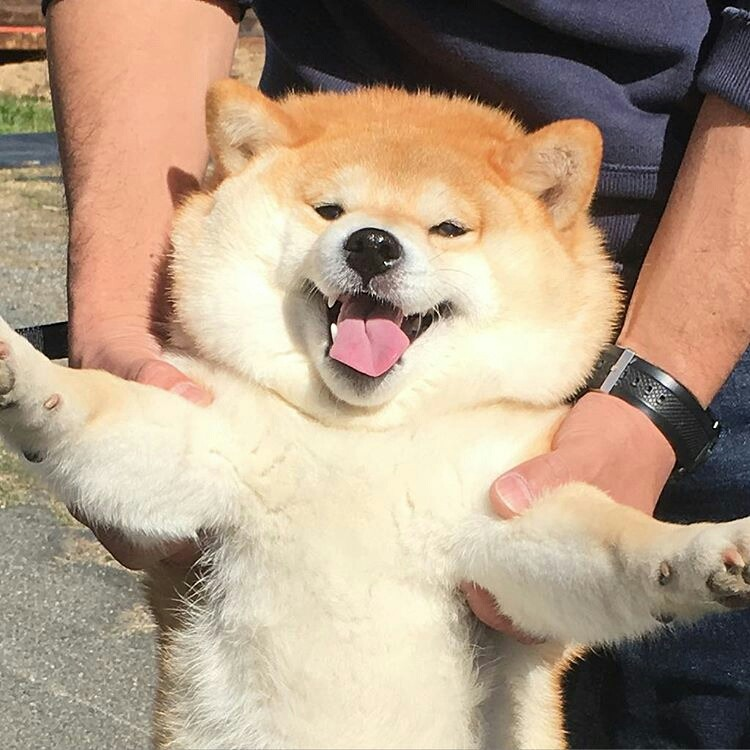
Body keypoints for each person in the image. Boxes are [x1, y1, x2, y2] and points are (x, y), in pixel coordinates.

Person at [45, 0, 750, 745]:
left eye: (443, 228)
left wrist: (657, 394)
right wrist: (117, 320)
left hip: (710, 274)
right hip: (317, 166)